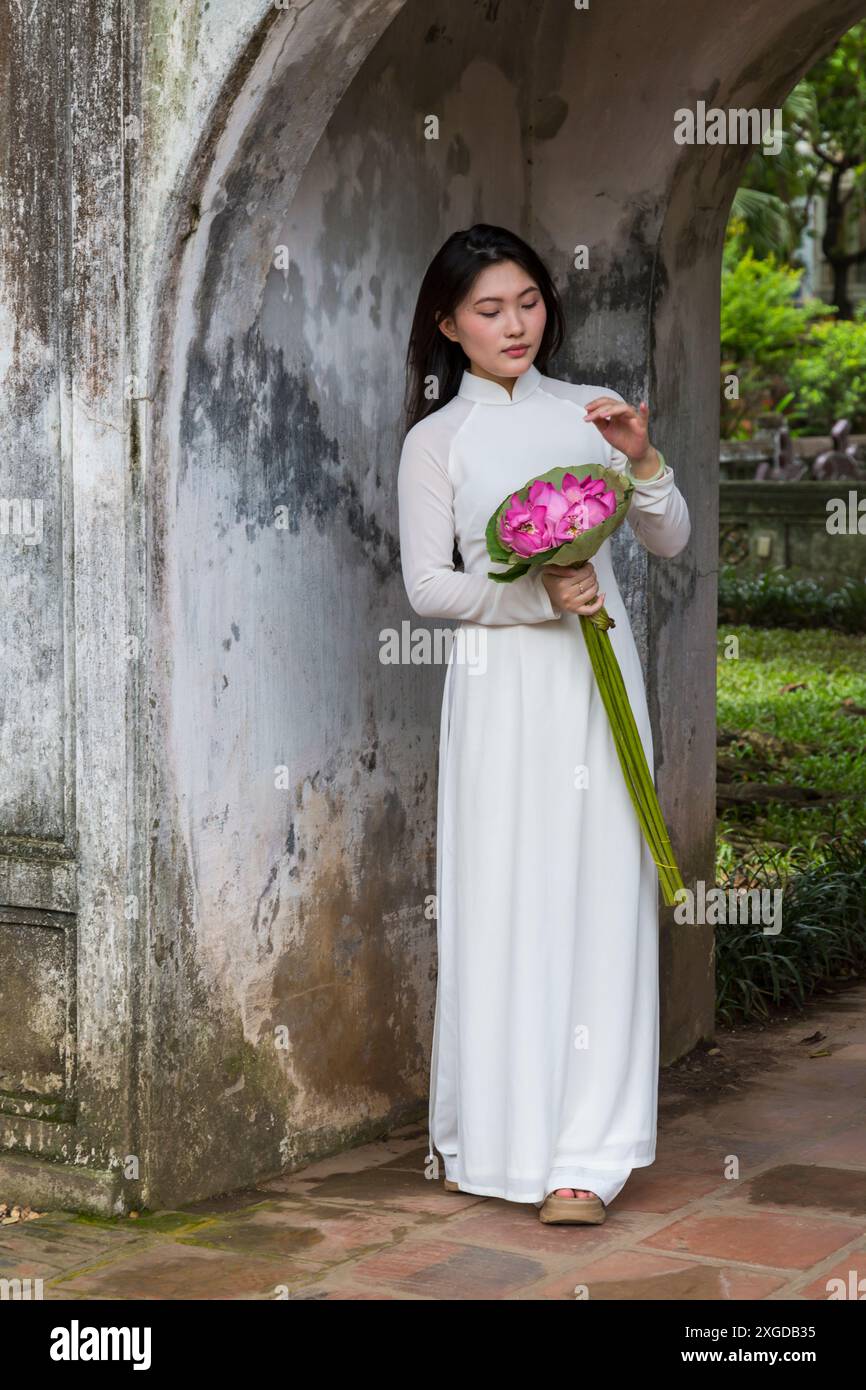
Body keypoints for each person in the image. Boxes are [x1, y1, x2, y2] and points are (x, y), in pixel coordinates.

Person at [397, 224, 691, 1224]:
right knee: (504, 894)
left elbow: (667, 535)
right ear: (447, 324)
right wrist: (529, 598)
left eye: (526, 301)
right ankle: (498, 1137)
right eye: (487, 309)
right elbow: (428, 586)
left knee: (599, 892)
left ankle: (585, 1155)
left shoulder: (588, 414)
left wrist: (641, 459)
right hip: (498, 690)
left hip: (593, 686)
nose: (513, 323)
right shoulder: (436, 440)